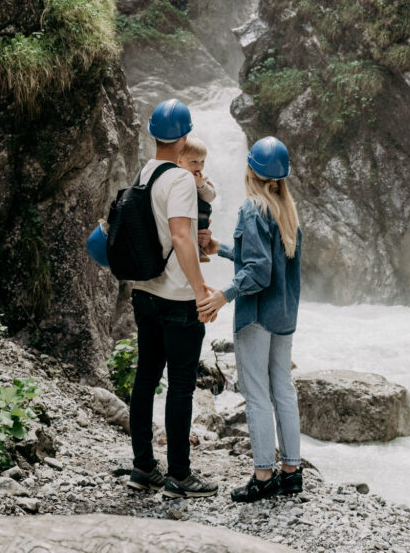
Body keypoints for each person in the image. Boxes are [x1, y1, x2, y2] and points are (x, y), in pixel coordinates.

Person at [198, 136, 302, 503]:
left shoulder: (252, 209)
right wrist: (220, 248)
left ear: (251, 171)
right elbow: (264, 260)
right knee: (283, 392)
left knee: (256, 394)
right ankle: (291, 472)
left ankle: (263, 476)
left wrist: (223, 295)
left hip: (257, 316)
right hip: (284, 315)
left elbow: (259, 271)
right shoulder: (286, 210)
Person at [127, 98, 218, 499]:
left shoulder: (146, 172)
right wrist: (201, 290)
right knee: (180, 385)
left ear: (153, 135)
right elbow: (181, 236)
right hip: (177, 297)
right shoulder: (182, 179)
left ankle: (143, 466)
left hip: (145, 290)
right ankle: (179, 476)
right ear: (184, 137)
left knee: (146, 377)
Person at [178, 134, 216, 263]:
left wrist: (200, 185)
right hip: (182, 215)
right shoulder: (176, 176)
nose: (199, 166)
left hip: (199, 213)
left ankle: (199, 249)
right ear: (179, 161)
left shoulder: (203, 178)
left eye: (202, 161)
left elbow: (211, 196)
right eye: (194, 161)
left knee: (202, 222)